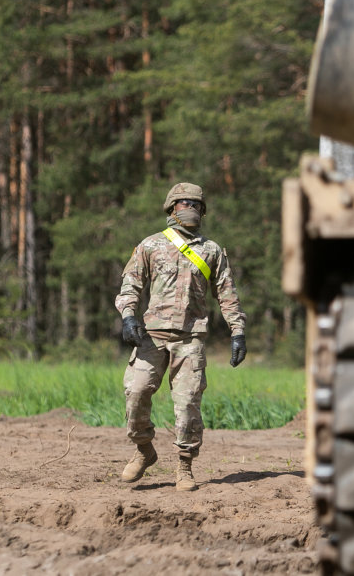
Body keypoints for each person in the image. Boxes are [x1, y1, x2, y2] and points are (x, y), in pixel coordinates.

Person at [114, 182, 247, 491]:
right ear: (171, 208)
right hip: (151, 336)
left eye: (197, 204)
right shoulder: (149, 246)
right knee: (135, 394)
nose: (191, 208)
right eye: (184, 203)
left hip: (191, 339)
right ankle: (144, 451)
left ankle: (184, 466)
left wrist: (237, 332)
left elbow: (227, 294)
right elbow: (130, 285)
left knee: (187, 405)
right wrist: (129, 316)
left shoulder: (211, 251)